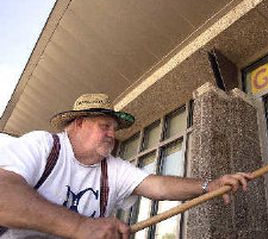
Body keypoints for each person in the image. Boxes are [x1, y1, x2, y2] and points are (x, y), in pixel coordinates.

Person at [0, 93, 254, 238]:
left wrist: (210, 185)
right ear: (79, 123)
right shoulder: (43, 146)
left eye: (114, 128)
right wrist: (80, 226)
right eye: (105, 126)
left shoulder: (113, 168)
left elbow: (159, 186)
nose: (112, 134)